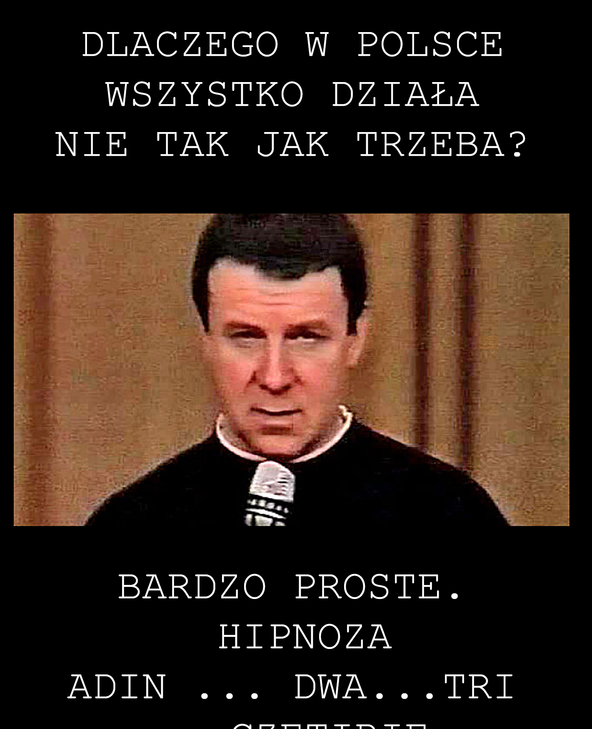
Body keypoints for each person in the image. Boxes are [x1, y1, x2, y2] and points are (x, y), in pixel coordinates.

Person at [87, 213, 508, 527]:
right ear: (206, 340)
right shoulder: (132, 520)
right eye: (246, 337)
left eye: (306, 337)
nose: (274, 378)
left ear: (356, 338)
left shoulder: (448, 512)